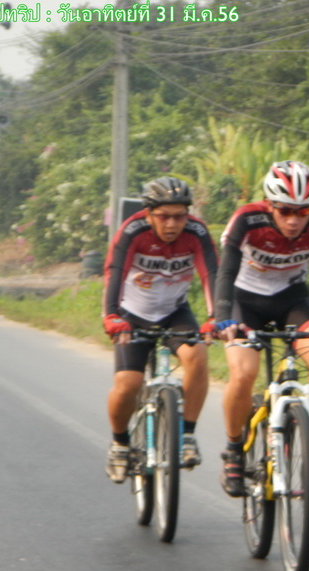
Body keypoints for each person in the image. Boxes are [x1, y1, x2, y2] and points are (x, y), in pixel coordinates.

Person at [214, 161, 309, 498]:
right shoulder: (247, 219)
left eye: (303, 211)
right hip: (244, 304)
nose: (294, 220)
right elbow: (225, 272)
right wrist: (223, 316)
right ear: (270, 205)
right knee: (244, 373)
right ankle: (233, 450)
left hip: (292, 301)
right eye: (285, 210)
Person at [103, 177, 218, 483]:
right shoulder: (132, 231)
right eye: (164, 216)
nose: (172, 224)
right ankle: (119, 444)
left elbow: (211, 275)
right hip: (132, 314)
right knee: (128, 383)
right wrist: (111, 315)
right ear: (148, 213)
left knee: (197, 357)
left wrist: (216, 317)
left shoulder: (196, 232)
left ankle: (187, 435)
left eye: (180, 216)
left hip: (174, 312)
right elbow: (115, 272)